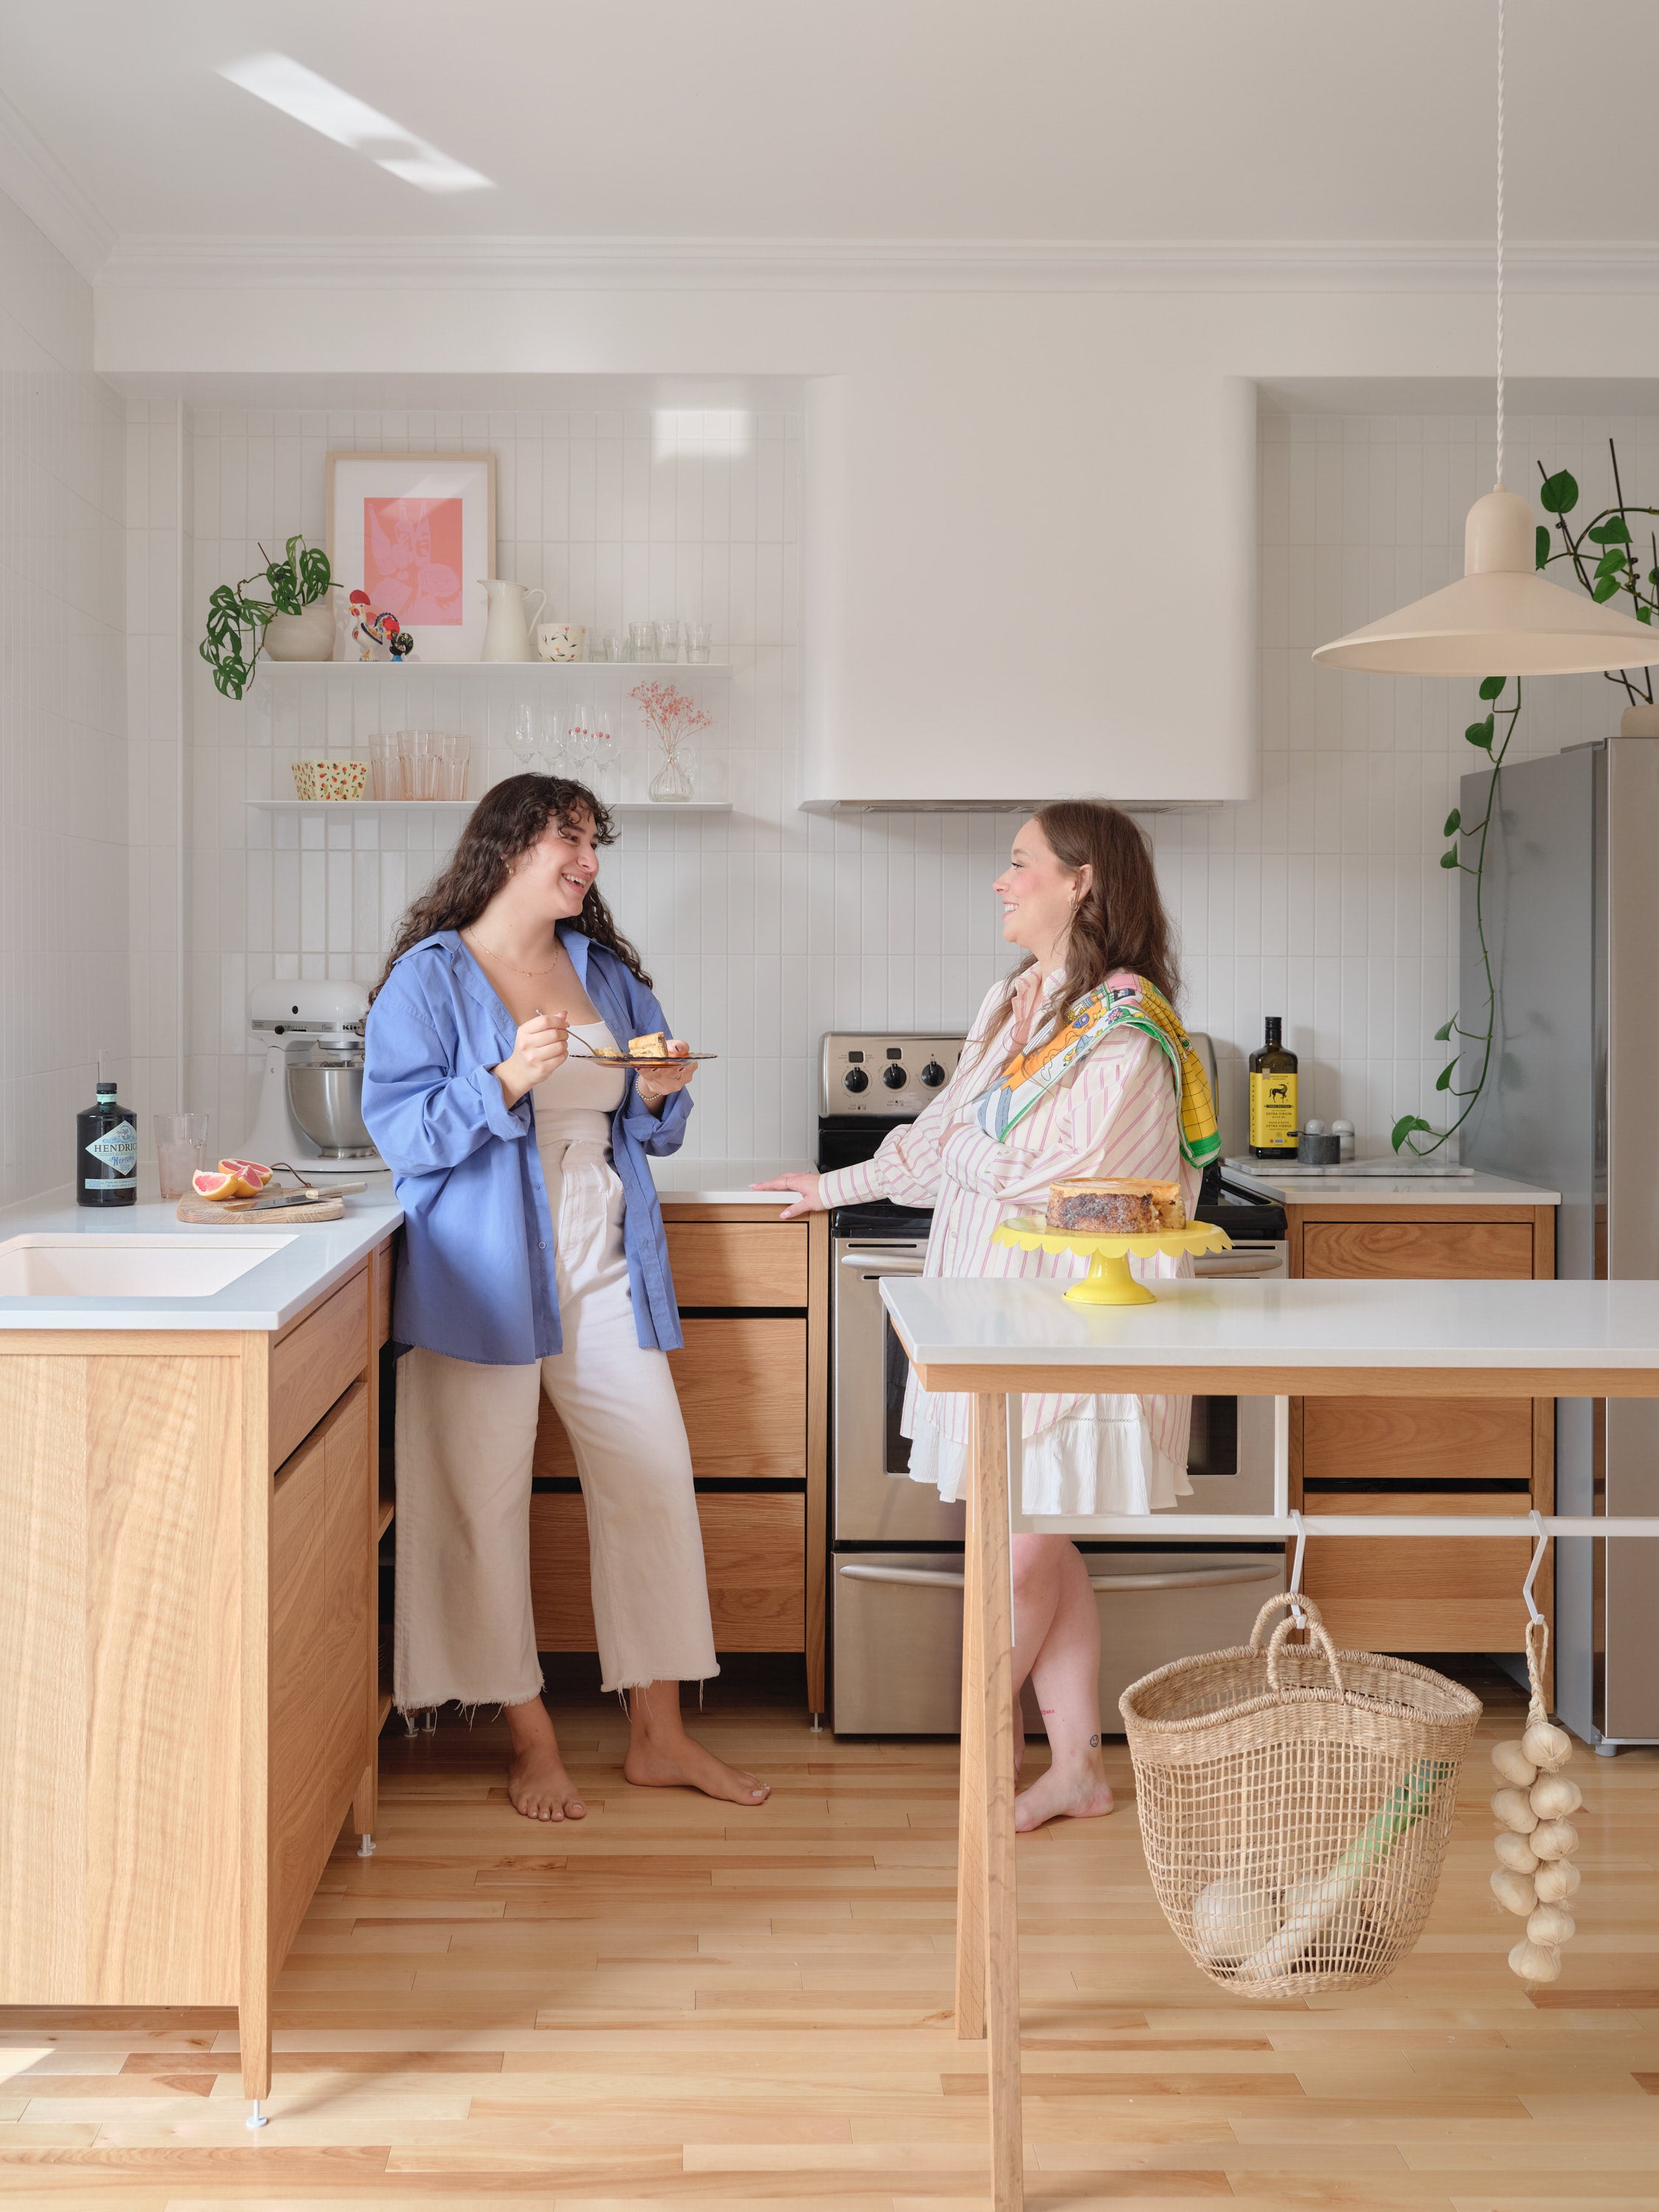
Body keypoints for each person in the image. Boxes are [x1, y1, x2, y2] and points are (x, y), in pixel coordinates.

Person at [757, 801, 1216, 1832]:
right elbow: (935, 1140)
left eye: (1018, 864)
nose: (1000, 883)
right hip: (991, 1315)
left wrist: (957, 1153)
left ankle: (986, 1752)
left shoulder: (1127, 1026)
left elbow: (1054, 1179)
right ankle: (1075, 1771)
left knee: (1020, 1553)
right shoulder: (1017, 1001)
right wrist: (829, 1189)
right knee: (1034, 1544)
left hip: (1071, 1324)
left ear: (1081, 880)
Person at [363, 773, 769, 1821]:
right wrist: (501, 1079)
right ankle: (529, 1740)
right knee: (476, 1503)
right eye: (570, 840)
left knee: (650, 1477)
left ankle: (659, 1737)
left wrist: (657, 1092)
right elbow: (399, 1135)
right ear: (507, 846)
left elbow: (643, 1117)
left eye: (594, 843)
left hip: (602, 1250)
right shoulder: (429, 976)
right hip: (476, 1267)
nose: (588, 861)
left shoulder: (603, 970)